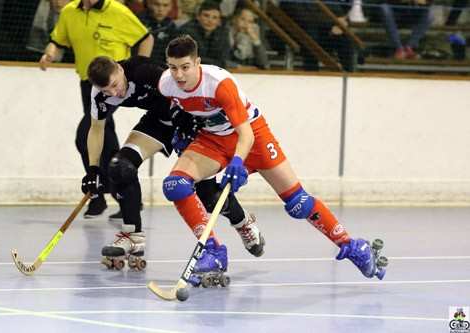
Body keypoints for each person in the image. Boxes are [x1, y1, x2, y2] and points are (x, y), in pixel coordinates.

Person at [158, 35, 387, 282]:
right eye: (173, 67)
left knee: (298, 203)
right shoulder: (167, 84)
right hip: (213, 139)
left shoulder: (219, 84)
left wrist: (237, 162)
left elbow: (245, 133)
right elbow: (177, 108)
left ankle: (353, 247)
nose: (179, 75)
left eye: (185, 67)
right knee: (175, 185)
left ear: (197, 62)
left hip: (253, 135)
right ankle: (214, 252)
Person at [84, 55, 265, 269]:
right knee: (120, 167)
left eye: (115, 85)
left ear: (120, 70)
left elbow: (184, 87)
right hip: (159, 122)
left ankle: (243, 222)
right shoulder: (100, 96)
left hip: (190, 119)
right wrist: (93, 170)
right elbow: (96, 129)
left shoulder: (145, 71)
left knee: (206, 194)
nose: (114, 94)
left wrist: (190, 124)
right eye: (107, 91)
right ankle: (133, 235)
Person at [39, 0, 154, 219]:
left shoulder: (117, 11)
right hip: (88, 84)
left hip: (115, 85)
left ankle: (99, 193)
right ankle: (120, 198)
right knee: (107, 141)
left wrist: (140, 67)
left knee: (86, 136)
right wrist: (49, 55)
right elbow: (57, 40)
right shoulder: (70, 12)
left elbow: (146, 38)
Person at [178, 1, 230, 68]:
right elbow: (189, 58)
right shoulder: (186, 31)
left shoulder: (223, 33)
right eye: (206, 15)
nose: (210, 20)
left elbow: (223, 59)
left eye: (215, 17)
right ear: (198, 17)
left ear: (219, 21)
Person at [138, 0, 179, 65]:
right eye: (157, 4)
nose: (161, 9)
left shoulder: (171, 25)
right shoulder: (138, 22)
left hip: (163, 67)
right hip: (140, 65)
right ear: (149, 4)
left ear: (171, 7)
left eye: (165, 5)